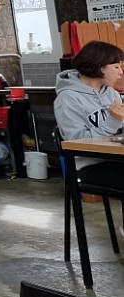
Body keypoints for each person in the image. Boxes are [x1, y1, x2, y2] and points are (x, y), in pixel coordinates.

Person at [54, 40, 124, 188]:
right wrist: (113, 121)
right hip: (88, 165)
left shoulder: (112, 94)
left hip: (116, 158)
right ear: (99, 67)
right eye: (116, 67)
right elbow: (76, 142)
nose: (120, 72)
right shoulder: (67, 98)